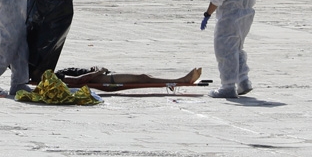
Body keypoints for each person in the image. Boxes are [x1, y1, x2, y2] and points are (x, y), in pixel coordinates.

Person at [200, 0, 257, 98]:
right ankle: (243, 81)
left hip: (229, 18)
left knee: (225, 50)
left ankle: (228, 86)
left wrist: (207, 14)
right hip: (246, 17)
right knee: (237, 49)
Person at [55, 67, 203, 91]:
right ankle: (182, 80)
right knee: (143, 78)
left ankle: (182, 79)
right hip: (105, 79)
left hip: (103, 75)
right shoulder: (55, 76)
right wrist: (98, 72)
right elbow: (76, 81)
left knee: (144, 77)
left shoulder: (56, 71)